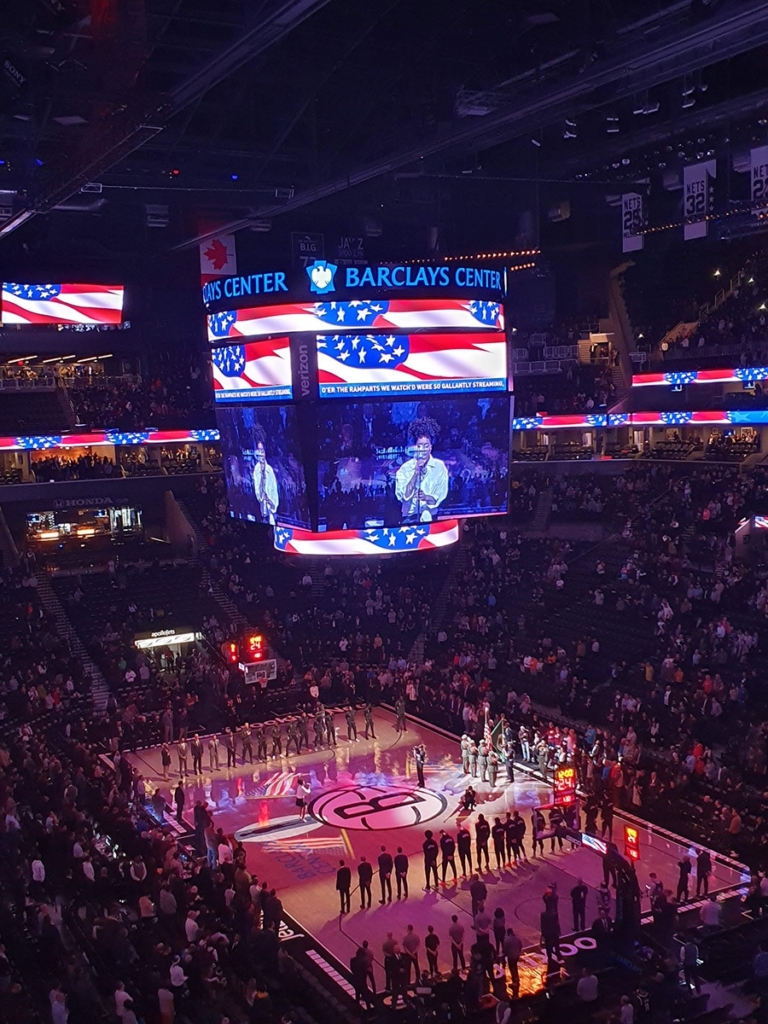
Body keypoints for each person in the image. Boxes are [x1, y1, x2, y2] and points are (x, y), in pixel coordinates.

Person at [395, 416, 449, 523]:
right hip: (409, 519)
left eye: (426, 446)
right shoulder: (405, 469)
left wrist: (426, 497)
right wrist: (415, 473)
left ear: (430, 447)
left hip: (432, 518)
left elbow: (439, 496)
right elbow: (404, 496)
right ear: (415, 447)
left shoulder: (439, 467)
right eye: (420, 446)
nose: (423, 450)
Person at [251, 426, 279, 524]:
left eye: (262, 451)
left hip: (270, 510)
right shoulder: (256, 470)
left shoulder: (269, 470)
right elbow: (257, 491)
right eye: (258, 451)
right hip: (259, 512)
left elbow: (274, 491)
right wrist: (261, 497)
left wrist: (270, 502)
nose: (260, 454)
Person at [503, 928, 522, 997]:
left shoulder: (507, 940)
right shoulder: (517, 938)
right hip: (516, 955)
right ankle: (517, 979)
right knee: (515, 967)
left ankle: (515, 981)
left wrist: (505, 955)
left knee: (512, 968)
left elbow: (505, 949)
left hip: (511, 956)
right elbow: (520, 946)